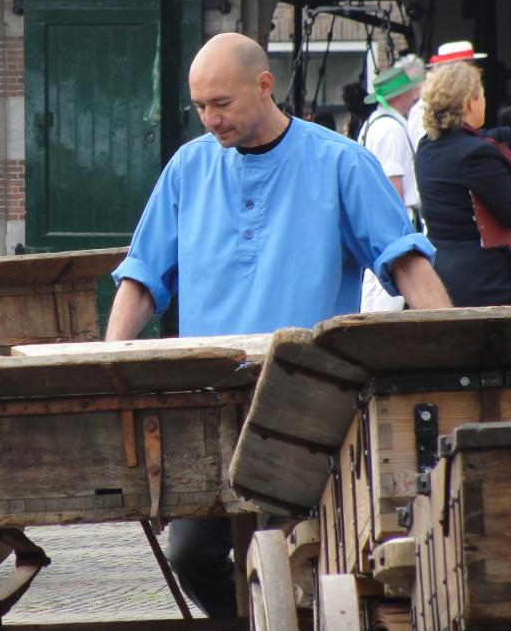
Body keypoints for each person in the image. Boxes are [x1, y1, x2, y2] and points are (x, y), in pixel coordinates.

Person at [106, 33, 450, 618]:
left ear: (264, 86)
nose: (210, 119)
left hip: (305, 409)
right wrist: (109, 361)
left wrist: (453, 344)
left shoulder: (341, 162)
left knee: (298, 552)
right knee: (190, 554)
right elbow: (142, 278)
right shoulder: (189, 169)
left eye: (222, 103)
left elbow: (404, 259)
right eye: (200, 107)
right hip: (207, 405)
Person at [415, 62, 511, 307]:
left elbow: (494, 136)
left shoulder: (427, 146)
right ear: (469, 102)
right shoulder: (475, 153)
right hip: (484, 281)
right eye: (481, 95)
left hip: (441, 274)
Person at [357, 56, 425, 312]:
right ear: (400, 95)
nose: (413, 94)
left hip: (378, 216)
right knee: (391, 290)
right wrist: (398, 226)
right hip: (394, 217)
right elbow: (392, 181)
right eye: (409, 90)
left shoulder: (374, 123)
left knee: (374, 285)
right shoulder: (391, 129)